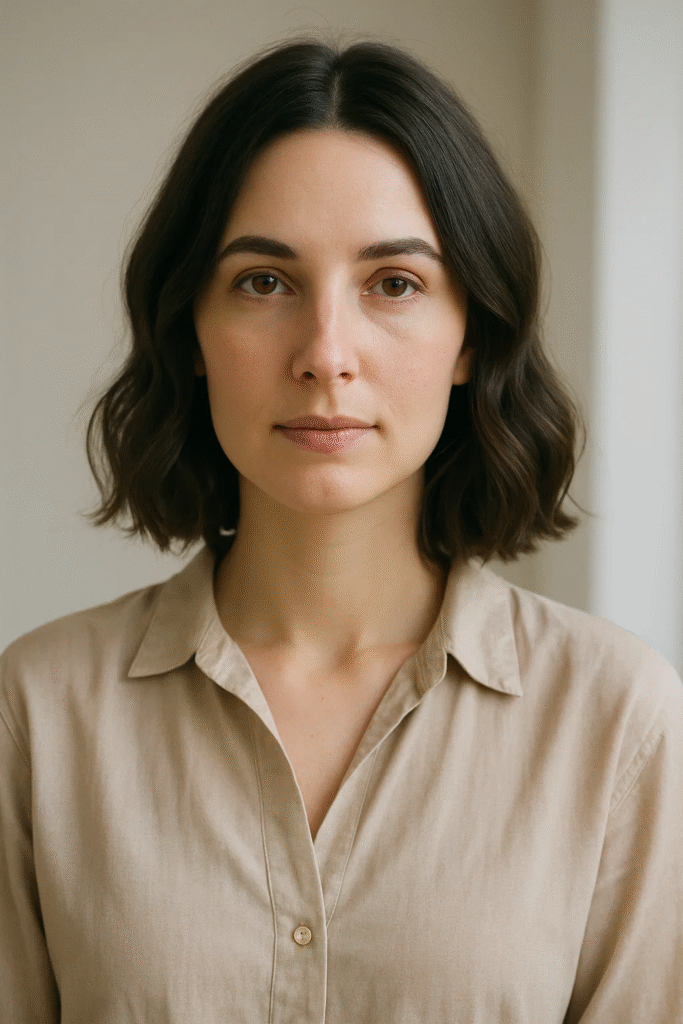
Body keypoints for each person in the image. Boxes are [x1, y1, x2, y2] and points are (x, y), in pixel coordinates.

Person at [1, 35, 681, 1024]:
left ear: (471, 334)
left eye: (392, 284)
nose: (325, 353)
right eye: (263, 282)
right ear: (189, 328)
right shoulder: (39, 713)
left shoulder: (617, 720)